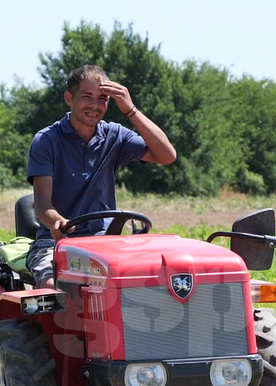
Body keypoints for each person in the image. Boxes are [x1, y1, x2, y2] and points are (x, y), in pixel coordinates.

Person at [25, 65, 178, 288]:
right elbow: (42, 203)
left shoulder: (115, 135)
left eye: (103, 99)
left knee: (152, 278)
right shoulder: (47, 140)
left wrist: (131, 110)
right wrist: (57, 223)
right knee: (52, 288)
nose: (95, 106)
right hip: (59, 242)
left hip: (106, 241)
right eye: (87, 97)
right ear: (69, 98)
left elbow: (167, 155)